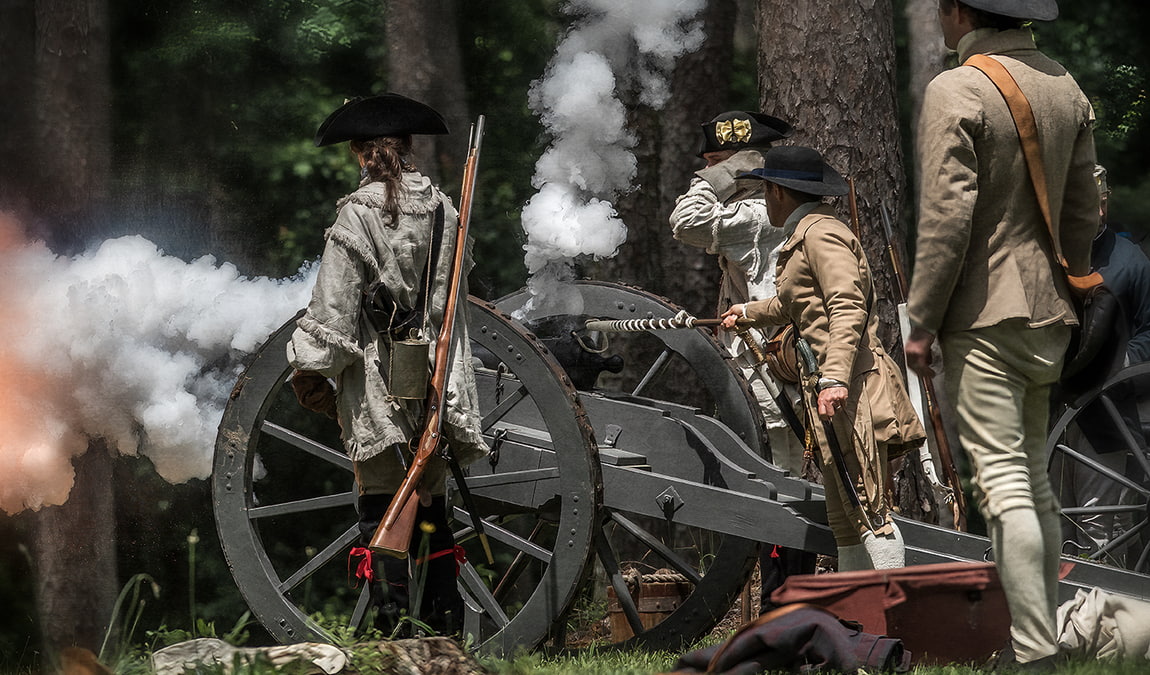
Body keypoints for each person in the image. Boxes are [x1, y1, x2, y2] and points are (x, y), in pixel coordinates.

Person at [903, 1, 1098, 668]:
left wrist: (922, 317)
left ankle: (1035, 648)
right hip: (1052, 314)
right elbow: (1082, 213)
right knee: (1034, 486)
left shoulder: (956, 88)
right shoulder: (1066, 86)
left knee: (1007, 486)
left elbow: (947, 217)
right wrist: (1066, 284)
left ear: (961, 12)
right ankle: (1036, 639)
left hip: (985, 316)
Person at [286, 93, 487, 636]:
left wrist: (308, 367)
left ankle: (393, 635)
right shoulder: (446, 208)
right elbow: (455, 288)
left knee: (382, 501)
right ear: (407, 149)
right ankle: (443, 632)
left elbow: (335, 304)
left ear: (361, 154)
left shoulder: (358, 212)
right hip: (437, 374)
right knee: (431, 506)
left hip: (377, 372)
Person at [721, 145, 926, 572]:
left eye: (764, 191)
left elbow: (847, 305)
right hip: (831, 391)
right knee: (845, 520)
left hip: (849, 388)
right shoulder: (809, 233)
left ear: (777, 191)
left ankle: (893, 622)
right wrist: (748, 312)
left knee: (868, 509)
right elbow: (799, 305)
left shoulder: (820, 234)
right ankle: (859, 620)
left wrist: (833, 378)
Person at [668, 111, 816, 606]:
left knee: (777, 493)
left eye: (719, 163)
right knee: (787, 487)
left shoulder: (752, 217)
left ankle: (781, 611)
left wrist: (718, 176)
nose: (713, 173)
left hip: (768, 381)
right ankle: (787, 609)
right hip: (786, 375)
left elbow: (684, 221)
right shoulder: (782, 213)